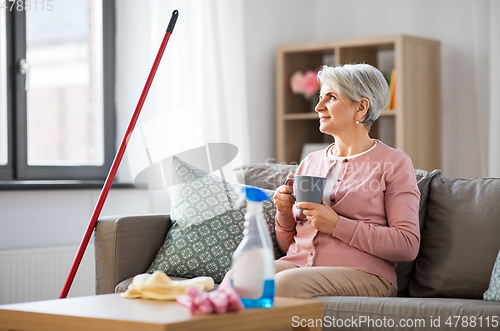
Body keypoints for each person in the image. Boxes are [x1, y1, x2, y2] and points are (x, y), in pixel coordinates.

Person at [271, 63, 420, 298]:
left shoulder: (394, 162)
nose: (318, 106)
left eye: (331, 97)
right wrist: (284, 212)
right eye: (320, 97)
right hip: (298, 265)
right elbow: (288, 243)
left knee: (284, 284)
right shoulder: (310, 161)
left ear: (361, 108)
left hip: (366, 274)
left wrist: (337, 225)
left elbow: (407, 244)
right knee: (241, 277)